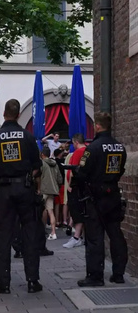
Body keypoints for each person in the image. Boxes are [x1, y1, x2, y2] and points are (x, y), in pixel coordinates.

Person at [0, 99, 43, 294]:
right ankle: (33, 281)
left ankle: (3, 282)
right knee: (29, 234)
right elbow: (37, 166)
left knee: (3, 236)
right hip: (25, 188)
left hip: (3, 191)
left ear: (4, 114)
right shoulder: (27, 137)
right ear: (18, 115)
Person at [76, 112, 127, 287]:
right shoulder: (119, 147)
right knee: (115, 234)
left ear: (97, 126)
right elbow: (120, 170)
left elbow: (82, 173)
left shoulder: (94, 147)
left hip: (95, 197)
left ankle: (95, 276)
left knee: (95, 237)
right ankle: (118, 273)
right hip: (113, 194)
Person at [63, 133, 86, 249]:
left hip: (76, 187)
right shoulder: (88, 150)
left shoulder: (77, 152)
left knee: (76, 211)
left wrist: (70, 184)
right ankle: (79, 236)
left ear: (76, 142)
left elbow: (73, 169)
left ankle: (76, 237)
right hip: (83, 186)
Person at [39, 147, 63, 240]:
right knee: (50, 211)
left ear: (42, 154)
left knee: (43, 210)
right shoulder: (55, 164)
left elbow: (39, 176)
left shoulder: (42, 163)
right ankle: (53, 232)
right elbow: (59, 178)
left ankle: (42, 229)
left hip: (43, 189)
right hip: (52, 189)